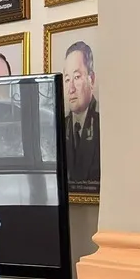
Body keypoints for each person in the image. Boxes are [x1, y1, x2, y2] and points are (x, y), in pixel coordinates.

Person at [62, 40, 99, 194]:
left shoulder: (104, 126)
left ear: (91, 79)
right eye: (67, 79)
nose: (70, 89)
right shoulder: (60, 128)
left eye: (77, 77)